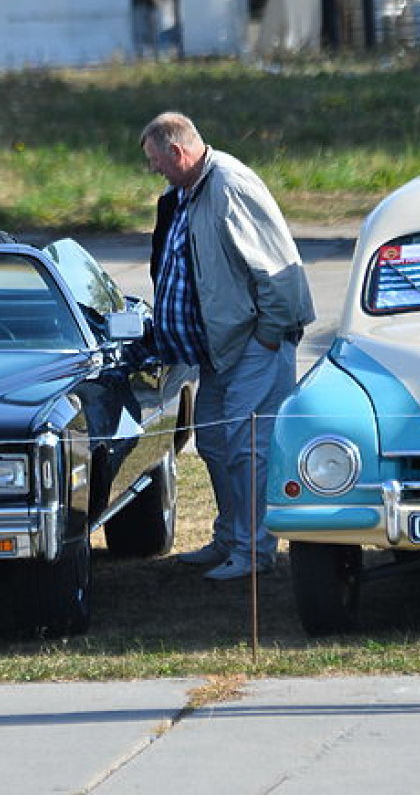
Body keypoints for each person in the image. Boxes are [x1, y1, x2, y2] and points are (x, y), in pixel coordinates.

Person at [141, 112, 315, 581]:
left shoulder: (230, 186)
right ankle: (231, 538)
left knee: (247, 444)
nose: (154, 170)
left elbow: (279, 270)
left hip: (256, 339)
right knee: (215, 440)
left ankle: (256, 552)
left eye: (156, 161)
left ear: (178, 153)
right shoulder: (187, 191)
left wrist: (267, 333)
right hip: (219, 347)